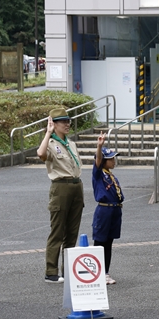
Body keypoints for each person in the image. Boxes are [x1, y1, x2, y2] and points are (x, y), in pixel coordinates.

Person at [37, 108, 84, 284]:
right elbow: (41, 154)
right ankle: (51, 271)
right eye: (63, 121)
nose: (67, 124)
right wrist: (48, 134)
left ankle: (69, 270)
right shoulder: (49, 143)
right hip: (60, 187)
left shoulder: (70, 144)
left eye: (68, 120)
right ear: (53, 124)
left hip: (75, 186)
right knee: (57, 231)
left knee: (72, 232)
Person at [92, 132, 124, 285]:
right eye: (110, 158)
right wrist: (100, 146)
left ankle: (105, 271)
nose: (113, 160)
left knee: (109, 242)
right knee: (100, 242)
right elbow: (97, 161)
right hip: (104, 210)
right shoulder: (98, 174)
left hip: (115, 210)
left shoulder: (111, 175)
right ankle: (97, 272)